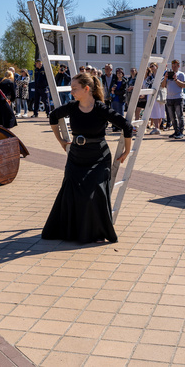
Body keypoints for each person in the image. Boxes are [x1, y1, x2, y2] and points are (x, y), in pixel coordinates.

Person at [43, 73, 132, 243]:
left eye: (75, 89)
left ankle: (96, 232)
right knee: (69, 189)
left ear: (87, 89)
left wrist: (127, 151)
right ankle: (70, 231)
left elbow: (126, 126)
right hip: (76, 157)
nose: (72, 92)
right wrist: (61, 140)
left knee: (92, 192)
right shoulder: (72, 107)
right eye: (71, 89)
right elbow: (53, 116)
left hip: (99, 158)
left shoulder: (100, 108)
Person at [161, 59, 185, 139]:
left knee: (180, 116)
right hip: (169, 98)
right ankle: (176, 131)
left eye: (175, 66)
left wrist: (176, 79)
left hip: (178, 98)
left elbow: (184, 85)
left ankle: (181, 132)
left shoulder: (181, 74)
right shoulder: (167, 74)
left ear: (178, 66)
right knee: (172, 117)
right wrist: (165, 78)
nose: (173, 68)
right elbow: (163, 86)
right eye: (172, 66)